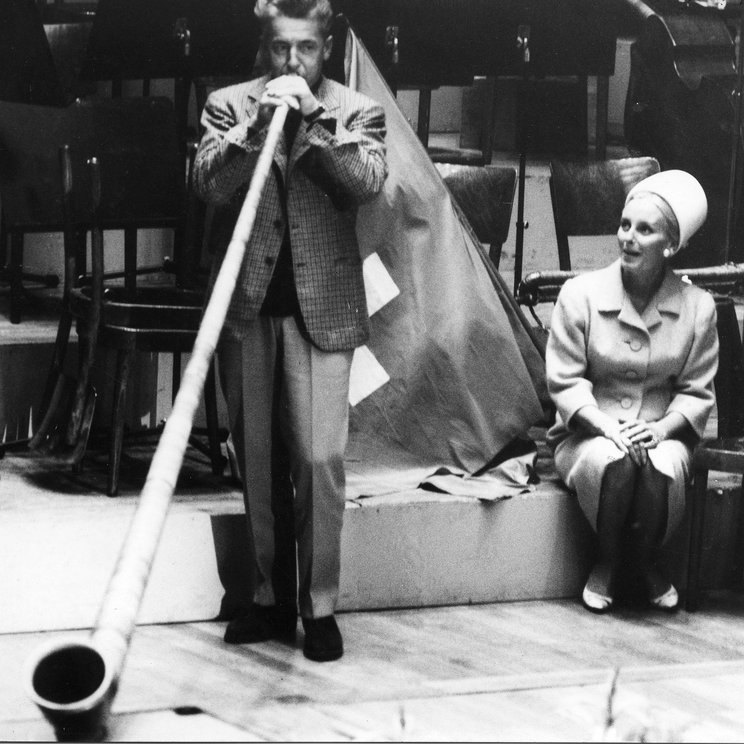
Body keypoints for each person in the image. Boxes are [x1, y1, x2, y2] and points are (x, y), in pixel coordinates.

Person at [193, 0, 387, 661]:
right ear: (263, 48)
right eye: (279, 49)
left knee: (319, 460)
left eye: (304, 50)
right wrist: (256, 129)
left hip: (322, 309)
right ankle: (270, 600)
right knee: (258, 460)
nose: (290, 63)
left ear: (324, 49)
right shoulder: (226, 104)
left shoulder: (355, 110)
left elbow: (365, 183)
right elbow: (209, 188)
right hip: (247, 305)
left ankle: (321, 608)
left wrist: (308, 122)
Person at [545, 170, 719, 614]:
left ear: (670, 246)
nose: (628, 237)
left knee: (660, 466)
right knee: (615, 459)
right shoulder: (579, 294)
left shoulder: (698, 307)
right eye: (625, 225)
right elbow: (564, 380)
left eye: (644, 229)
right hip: (586, 433)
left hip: (663, 433)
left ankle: (645, 562)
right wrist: (605, 426)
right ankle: (606, 562)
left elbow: (697, 393)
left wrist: (661, 431)